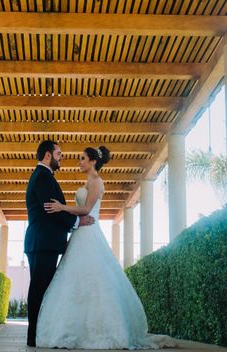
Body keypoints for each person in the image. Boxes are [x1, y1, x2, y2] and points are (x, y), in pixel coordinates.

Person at [36, 146, 175, 349]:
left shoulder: (97, 182)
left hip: (89, 233)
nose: (79, 162)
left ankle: (100, 330)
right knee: (75, 280)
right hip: (80, 234)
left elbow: (85, 209)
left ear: (93, 161)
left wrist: (62, 207)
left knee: (94, 279)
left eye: (82, 159)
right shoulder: (88, 182)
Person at [24, 140, 95, 347]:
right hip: (43, 242)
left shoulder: (43, 176)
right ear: (48, 155)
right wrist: (76, 221)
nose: (61, 157)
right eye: (58, 153)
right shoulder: (43, 177)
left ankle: (36, 334)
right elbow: (50, 209)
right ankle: (34, 336)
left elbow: (55, 208)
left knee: (41, 288)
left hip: (42, 241)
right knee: (40, 289)